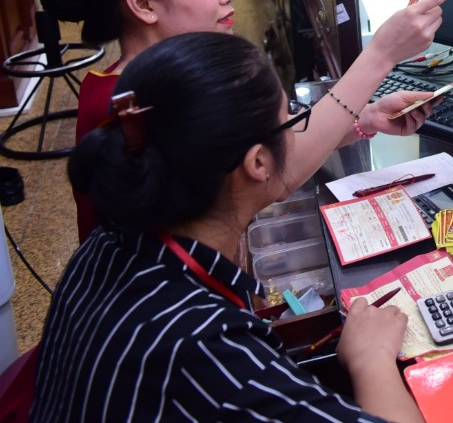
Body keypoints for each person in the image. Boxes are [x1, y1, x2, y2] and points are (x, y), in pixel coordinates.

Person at [32, 33, 428, 423]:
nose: (296, 125)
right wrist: (370, 359)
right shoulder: (212, 357)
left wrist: (364, 118)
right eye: (289, 116)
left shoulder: (106, 244)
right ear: (258, 164)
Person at [41, 0, 452, 241]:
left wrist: (365, 120)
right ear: (143, 4)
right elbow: (279, 175)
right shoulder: (142, 104)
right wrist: (380, 54)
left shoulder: (123, 80)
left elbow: (270, 151)